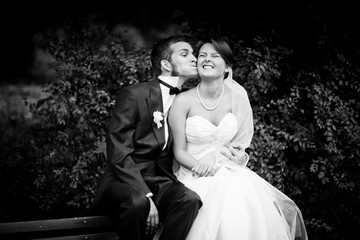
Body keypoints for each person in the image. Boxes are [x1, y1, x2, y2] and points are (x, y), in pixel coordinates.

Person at [169, 38, 308, 240]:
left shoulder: (237, 97)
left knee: (240, 190)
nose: (207, 59)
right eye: (202, 55)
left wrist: (239, 158)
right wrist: (201, 165)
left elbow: (239, 146)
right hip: (194, 172)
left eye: (215, 56)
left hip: (227, 168)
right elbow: (179, 151)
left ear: (227, 67)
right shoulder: (183, 100)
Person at [90, 35, 203, 240]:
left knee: (189, 200)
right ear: (166, 64)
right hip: (124, 179)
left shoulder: (188, 101)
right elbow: (118, 152)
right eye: (185, 54)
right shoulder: (133, 94)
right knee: (137, 203)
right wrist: (145, 193)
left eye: (194, 54)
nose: (194, 58)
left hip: (161, 179)